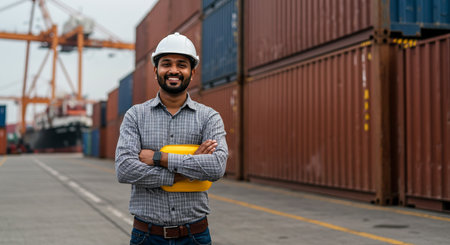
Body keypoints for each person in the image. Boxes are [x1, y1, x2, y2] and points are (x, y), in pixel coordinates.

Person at [115, 32, 228, 245]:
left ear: (192, 72)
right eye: (166, 63)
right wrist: (186, 172)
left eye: (182, 65)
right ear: (155, 69)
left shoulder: (209, 117)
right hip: (146, 236)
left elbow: (216, 168)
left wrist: (160, 158)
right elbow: (124, 169)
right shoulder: (135, 115)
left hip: (195, 236)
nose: (174, 70)